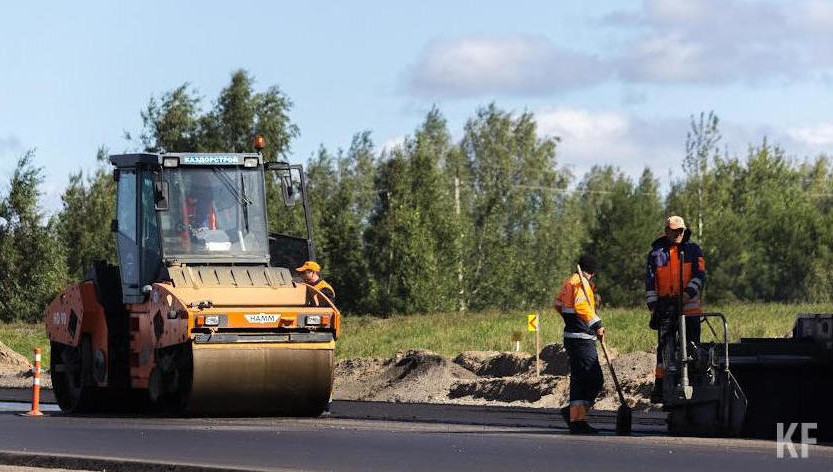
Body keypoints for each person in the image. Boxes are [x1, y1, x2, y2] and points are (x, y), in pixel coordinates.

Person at [645, 215, 706, 403]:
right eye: (675, 230)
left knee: (692, 347)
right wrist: (654, 306)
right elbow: (650, 282)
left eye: (681, 230)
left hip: (689, 309)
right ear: (667, 231)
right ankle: (661, 385)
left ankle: (693, 382)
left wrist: (687, 294)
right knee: (664, 349)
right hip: (665, 308)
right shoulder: (656, 253)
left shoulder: (693, 250)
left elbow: (700, 275)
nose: (679, 234)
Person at [554, 255, 604, 435]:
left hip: (572, 337)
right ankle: (575, 416)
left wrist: (570, 320)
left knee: (579, 380)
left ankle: (577, 421)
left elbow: (558, 303)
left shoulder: (570, 282)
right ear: (593, 272)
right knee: (595, 379)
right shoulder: (580, 284)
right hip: (582, 338)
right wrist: (596, 324)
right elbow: (582, 306)